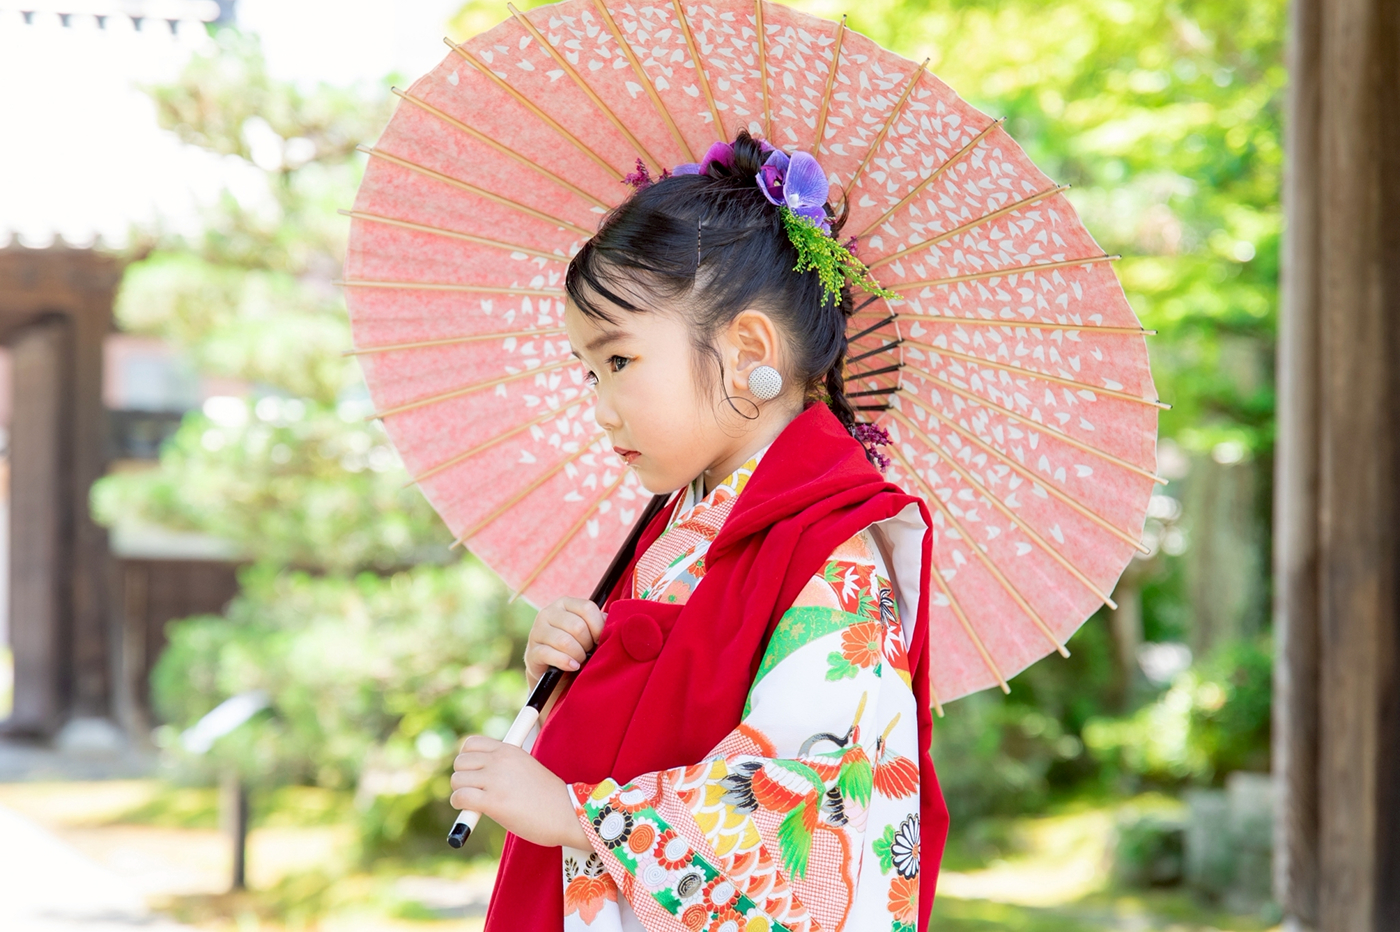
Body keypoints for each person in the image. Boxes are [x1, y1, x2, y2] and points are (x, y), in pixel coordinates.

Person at [447, 131, 948, 932]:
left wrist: (584, 819)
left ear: (749, 347)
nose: (600, 403)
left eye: (618, 362)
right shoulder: (682, 521)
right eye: (589, 371)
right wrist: (574, 666)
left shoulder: (837, 554)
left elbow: (818, 816)